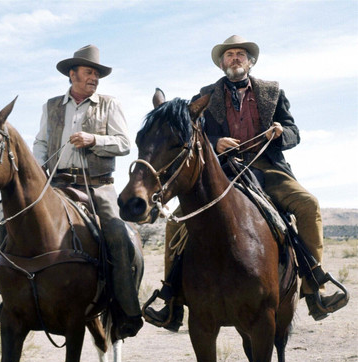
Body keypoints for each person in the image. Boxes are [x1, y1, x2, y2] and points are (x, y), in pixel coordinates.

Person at [145, 35, 349, 329]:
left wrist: (281, 132)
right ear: (221, 63)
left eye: (241, 54)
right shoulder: (205, 96)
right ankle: (171, 300)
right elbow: (192, 136)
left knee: (308, 205)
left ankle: (313, 286)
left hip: (268, 167)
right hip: (224, 171)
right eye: (229, 55)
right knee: (177, 220)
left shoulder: (272, 92)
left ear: (250, 62)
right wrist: (216, 143)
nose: (235, 58)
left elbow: (294, 131)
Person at [32, 44, 143, 339]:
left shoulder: (110, 104)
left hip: (98, 186)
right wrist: (39, 169)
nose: (94, 77)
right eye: (88, 71)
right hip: (57, 184)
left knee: (118, 237)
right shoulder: (51, 105)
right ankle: (3, 295)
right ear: (72, 74)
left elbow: (124, 144)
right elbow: (41, 143)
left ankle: (127, 311)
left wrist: (93, 139)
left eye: (96, 73)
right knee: (17, 224)